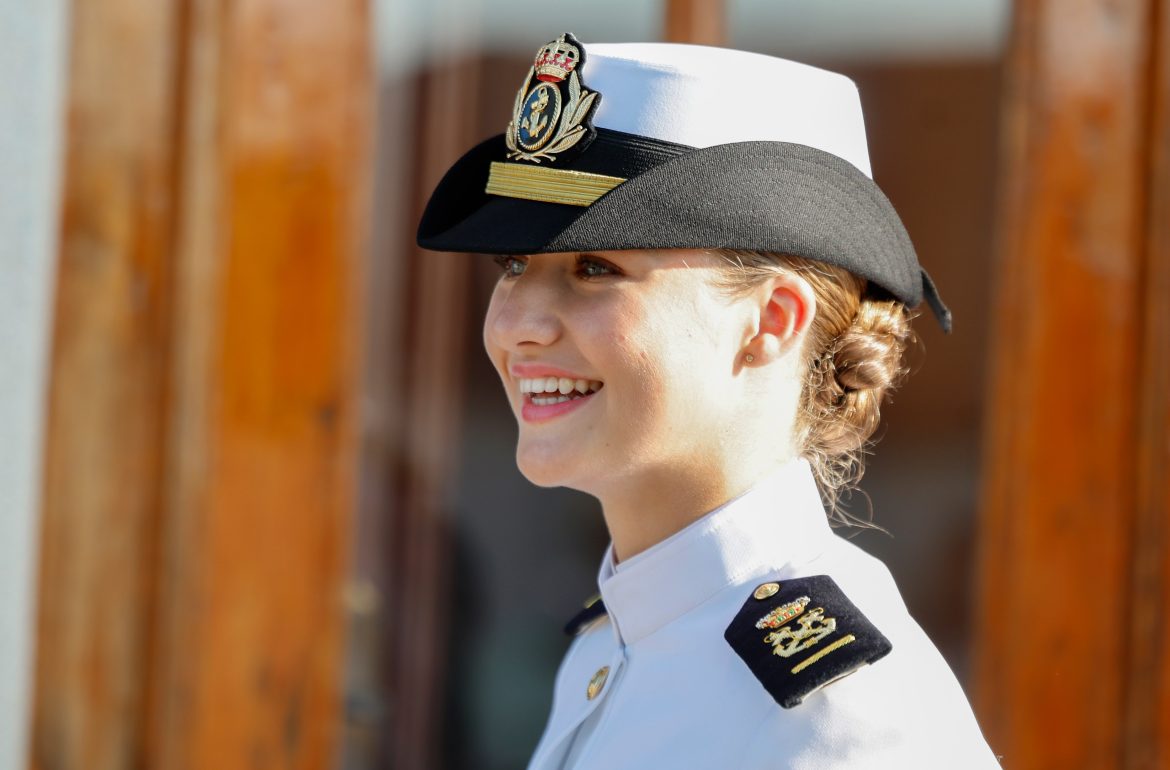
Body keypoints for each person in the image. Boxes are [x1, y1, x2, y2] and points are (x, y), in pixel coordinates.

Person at [418, 33, 1000, 769]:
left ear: (769, 322)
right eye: (513, 264)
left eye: (596, 267)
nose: (515, 324)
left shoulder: (836, 724)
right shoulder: (622, 635)